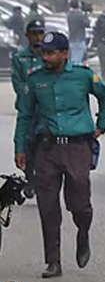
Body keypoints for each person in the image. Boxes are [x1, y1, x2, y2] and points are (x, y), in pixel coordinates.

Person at [13, 31, 105, 278]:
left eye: (51, 53)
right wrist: (20, 148)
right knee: (47, 206)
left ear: (64, 53)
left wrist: (102, 123)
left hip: (77, 147)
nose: (45, 57)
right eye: (43, 53)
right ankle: (53, 261)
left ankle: (83, 232)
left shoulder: (82, 75)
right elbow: (25, 115)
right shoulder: (35, 79)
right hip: (46, 149)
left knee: (80, 204)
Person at [10, 18, 48, 199]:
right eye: (34, 34)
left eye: (41, 33)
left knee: (45, 146)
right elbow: (18, 83)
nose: (38, 37)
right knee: (27, 144)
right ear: (27, 35)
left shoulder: (48, 56)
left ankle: (43, 180)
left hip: (45, 109)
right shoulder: (19, 57)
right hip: (28, 109)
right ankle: (30, 179)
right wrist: (28, 97)